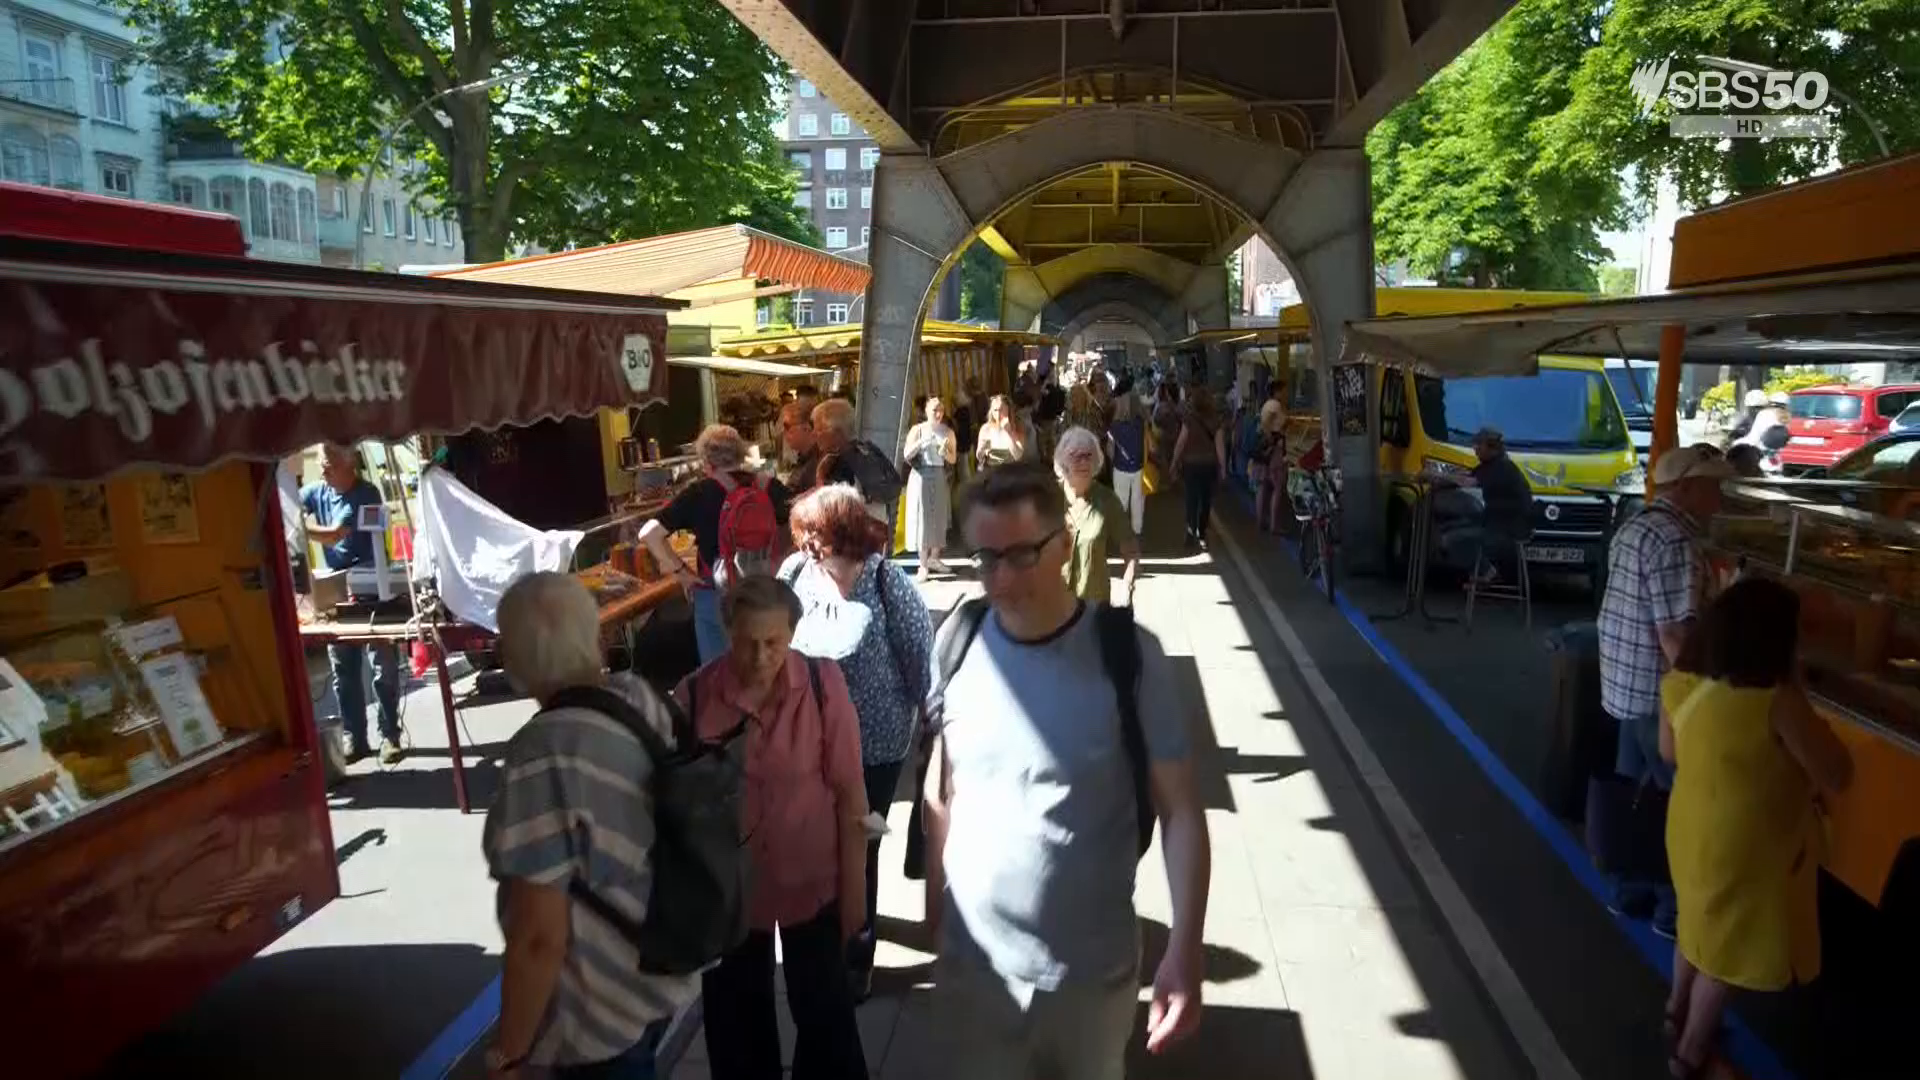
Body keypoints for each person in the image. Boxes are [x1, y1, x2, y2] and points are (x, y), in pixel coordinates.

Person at [923, 462, 1209, 1079]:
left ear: (1065, 544)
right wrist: (934, 910)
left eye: (1022, 555)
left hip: (1090, 975)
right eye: (986, 559)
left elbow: (1181, 810)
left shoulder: (1128, 655)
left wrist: (1186, 949)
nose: (1002, 579)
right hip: (975, 968)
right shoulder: (957, 643)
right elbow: (944, 788)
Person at [482, 572, 697, 1080]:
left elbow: (539, 937)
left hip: (600, 1010)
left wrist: (509, 1053)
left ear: (518, 656)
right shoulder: (641, 698)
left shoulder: (540, 753)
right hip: (662, 970)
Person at [677, 576, 870, 1080]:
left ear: (792, 634)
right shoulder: (695, 696)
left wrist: (856, 893)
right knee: (737, 1035)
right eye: (747, 642)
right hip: (730, 897)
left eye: (774, 642)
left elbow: (851, 795)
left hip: (813, 884)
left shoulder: (824, 687)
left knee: (827, 1025)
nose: (761, 656)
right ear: (727, 631)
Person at [1659, 578, 1851, 1078]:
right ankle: (1690, 1055)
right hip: (1744, 848)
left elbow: (1668, 752)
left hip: (1689, 831)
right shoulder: (1778, 701)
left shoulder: (1683, 682)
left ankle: (1675, 1010)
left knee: (1696, 924)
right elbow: (1837, 773)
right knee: (1725, 955)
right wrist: (1798, 689)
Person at [781, 485, 936, 1000]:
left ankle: (855, 958)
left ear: (842, 533)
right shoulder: (794, 573)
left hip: (876, 743)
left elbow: (921, 661)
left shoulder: (887, 582)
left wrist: (933, 731)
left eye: (815, 533)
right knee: (816, 843)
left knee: (861, 846)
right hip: (808, 739)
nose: (806, 543)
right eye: (802, 534)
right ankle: (828, 932)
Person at [1597, 443, 1732, 937]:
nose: (1720, 497)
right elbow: (1674, 635)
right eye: (1714, 486)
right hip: (1659, 693)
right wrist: (1703, 698)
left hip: (1625, 683)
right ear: (1688, 488)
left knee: (1635, 794)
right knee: (1676, 802)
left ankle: (1628, 891)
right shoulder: (1677, 542)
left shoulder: (1637, 525)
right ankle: (1673, 909)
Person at [638, 425, 792, 665]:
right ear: (741, 454)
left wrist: (682, 573)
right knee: (764, 669)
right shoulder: (768, 486)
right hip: (764, 592)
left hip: (715, 594)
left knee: (718, 675)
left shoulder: (698, 493)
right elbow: (797, 525)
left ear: (706, 462)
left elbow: (649, 534)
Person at [302, 443, 404, 764]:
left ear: (349, 466)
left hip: (372, 587)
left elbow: (334, 534)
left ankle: (390, 735)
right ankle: (354, 737)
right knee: (343, 670)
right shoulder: (317, 491)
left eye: (328, 467)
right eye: (321, 466)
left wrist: (302, 526)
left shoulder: (366, 494)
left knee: (382, 667)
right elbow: (290, 506)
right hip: (337, 589)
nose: (323, 473)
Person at [1053, 427, 1140, 607]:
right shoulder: (1048, 497)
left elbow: (1130, 550)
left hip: (1094, 605)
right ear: (1063, 461)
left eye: (1088, 456)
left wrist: (1127, 587)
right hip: (1053, 605)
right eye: (1076, 456)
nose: (1084, 462)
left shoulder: (1107, 500)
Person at [1432, 427, 1535, 578]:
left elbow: (1468, 482)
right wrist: (1440, 478)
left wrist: (1435, 475)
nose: (1475, 449)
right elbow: (1466, 476)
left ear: (1492, 448)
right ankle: (1479, 572)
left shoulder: (1503, 467)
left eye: (1479, 445)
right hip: (1495, 526)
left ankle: (1486, 572)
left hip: (1507, 533)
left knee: (1450, 539)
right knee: (1448, 528)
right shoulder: (1490, 465)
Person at [810, 397, 892, 523]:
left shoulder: (847, 462)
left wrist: (820, 476)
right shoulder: (856, 453)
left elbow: (830, 512)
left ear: (836, 432)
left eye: (819, 429)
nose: (814, 434)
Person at [904, 397, 958, 579]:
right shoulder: (917, 430)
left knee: (938, 517)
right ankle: (923, 564)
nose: (938, 413)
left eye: (941, 409)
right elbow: (906, 454)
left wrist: (945, 452)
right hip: (920, 474)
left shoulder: (948, 431)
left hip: (939, 473)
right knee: (923, 518)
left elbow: (953, 459)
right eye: (935, 409)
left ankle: (934, 558)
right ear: (926, 410)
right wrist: (920, 443)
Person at [1170, 386, 1226, 549]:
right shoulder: (1215, 421)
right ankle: (1202, 532)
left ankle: (1190, 532)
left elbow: (1181, 443)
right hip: (1209, 466)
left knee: (1191, 500)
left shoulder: (1189, 420)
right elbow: (1220, 446)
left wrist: (1174, 462)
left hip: (1191, 466)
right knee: (1206, 500)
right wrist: (1223, 468)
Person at [1106, 392, 1148, 537]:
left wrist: (1113, 460)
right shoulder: (1141, 424)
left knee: (1121, 500)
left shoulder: (1114, 426)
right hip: (1139, 467)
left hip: (1120, 468)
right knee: (1138, 500)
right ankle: (1137, 529)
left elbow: (1110, 449)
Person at [1251, 382, 1290, 534]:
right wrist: (1271, 439)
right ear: (1277, 391)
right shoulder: (1275, 405)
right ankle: (1274, 525)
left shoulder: (1267, 404)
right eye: (1284, 391)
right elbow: (1267, 423)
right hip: (1274, 450)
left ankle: (1260, 521)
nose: (1286, 394)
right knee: (1278, 486)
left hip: (1265, 451)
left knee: (1262, 485)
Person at [779, 401, 821, 495]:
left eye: (787, 426)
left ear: (806, 428)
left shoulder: (817, 464)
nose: (784, 432)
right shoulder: (804, 458)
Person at [974, 394, 1025, 470]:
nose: (998, 414)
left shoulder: (1017, 425)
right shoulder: (986, 428)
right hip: (993, 470)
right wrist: (983, 450)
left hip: (1013, 470)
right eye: (995, 410)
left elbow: (1018, 456)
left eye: (1001, 409)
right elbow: (979, 455)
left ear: (1008, 409)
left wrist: (1009, 433)